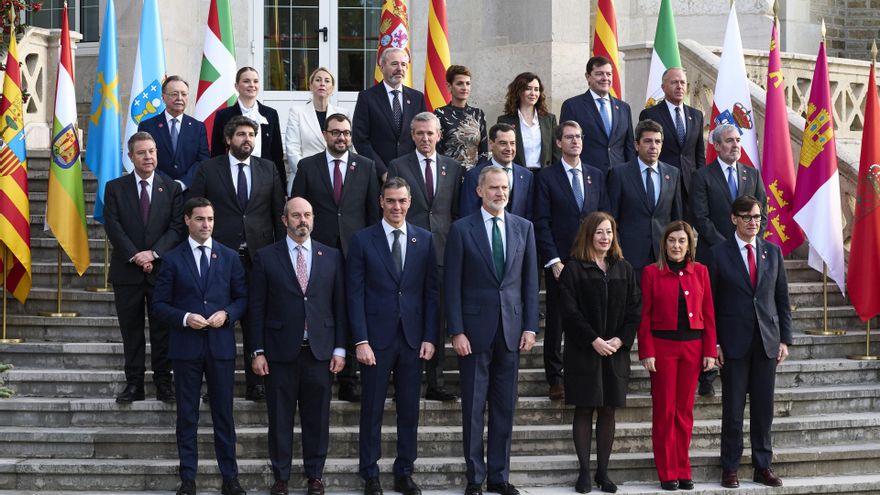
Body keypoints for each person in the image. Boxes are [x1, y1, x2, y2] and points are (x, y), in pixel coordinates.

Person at [445, 166, 539, 495]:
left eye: (504, 188)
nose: (500, 193)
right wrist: (456, 330)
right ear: (479, 191)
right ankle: (475, 478)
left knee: (504, 407)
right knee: (473, 408)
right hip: (473, 333)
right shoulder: (461, 229)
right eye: (494, 188)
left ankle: (499, 476)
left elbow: (530, 282)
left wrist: (530, 326)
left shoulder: (524, 227)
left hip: (511, 331)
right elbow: (451, 284)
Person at [248, 197, 347, 495]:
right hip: (280, 353)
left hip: (319, 352)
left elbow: (339, 306)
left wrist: (340, 349)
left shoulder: (331, 256)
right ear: (284, 220)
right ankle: (281, 477)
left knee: (318, 419)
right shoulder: (266, 257)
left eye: (307, 215)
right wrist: (257, 351)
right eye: (296, 215)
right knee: (280, 418)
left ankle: (315, 475)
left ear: (313, 218)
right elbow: (256, 309)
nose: (302, 220)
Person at [347, 177, 439, 495]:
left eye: (401, 200)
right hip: (375, 341)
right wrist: (360, 340)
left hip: (413, 340)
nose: (396, 206)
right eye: (390, 201)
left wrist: (430, 337)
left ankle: (404, 472)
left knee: (409, 410)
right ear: (381, 202)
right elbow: (354, 295)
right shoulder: (362, 240)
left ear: (410, 202)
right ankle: (370, 474)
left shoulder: (424, 240)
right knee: (371, 409)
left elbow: (431, 293)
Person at [152, 197, 248, 495]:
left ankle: (230, 478)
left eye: (210, 219)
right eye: (200, 219)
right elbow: (158, 305)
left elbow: (242, 298)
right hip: (186, 348)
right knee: (187, 415)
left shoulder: (229, 257)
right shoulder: (172, 259)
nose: (206, 224)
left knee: (224, 415)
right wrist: (185, 318)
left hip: (220, 348)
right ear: (187, 220)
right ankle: (188, 478)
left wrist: (227, 314)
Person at [190, 115, 286, 402]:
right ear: (228, 139)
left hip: (259, 258)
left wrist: (280, 254)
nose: (248, 140)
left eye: (251, 135)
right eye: (242, 134)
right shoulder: (209, 169)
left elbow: (277, 214)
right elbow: (195, 209)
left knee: (257, 319)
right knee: (218, 321)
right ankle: (217, 386)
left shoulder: (268, 168)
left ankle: (257, 383)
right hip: (220, 258)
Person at [290, 112, 378, 402]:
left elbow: (372, 214)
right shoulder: (307, 166)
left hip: (356, 251)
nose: (342, 137)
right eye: (336, 132)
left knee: (351, 309)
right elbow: (297, 207)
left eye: (346, 133)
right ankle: (323, 371)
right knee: (321, 309)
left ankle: (349, 378)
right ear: (325, 135)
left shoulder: (366, 166)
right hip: (318, 252)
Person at [709, 195, 791, 489]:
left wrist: (785, 339)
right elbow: (710, 304)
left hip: (767, 343)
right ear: (734, 219)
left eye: (757, 217)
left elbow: (782, 298)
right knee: (733, 410)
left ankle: (762, 466)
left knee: (763, 409)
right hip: (733, 344)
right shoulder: (718, 254)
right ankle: (730, 467)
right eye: (747, 217)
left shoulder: (773, 252)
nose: (753, 222)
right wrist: (714, 343)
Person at [556, 211, 641, 494]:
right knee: (584, 408)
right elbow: (569, 312)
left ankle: (603, 473)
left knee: (608, 410)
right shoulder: (573, 269)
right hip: (584, 351)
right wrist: (593, 339)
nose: (605, 237)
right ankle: (584, 472)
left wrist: (620, 339)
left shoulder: (624, 268)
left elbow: (635, 309)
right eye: (599, 232)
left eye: (609, 232)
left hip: (615, 352)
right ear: (588, 235)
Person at [388, 111, 464, 402]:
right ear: (412, 135)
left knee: (437, 315)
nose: (425, 138)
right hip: (408, 252)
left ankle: (436, 381)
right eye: (420, 133)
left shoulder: (453, 168)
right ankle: (400, 380)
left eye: (430, 133)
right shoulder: (398, 165)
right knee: (404, 314)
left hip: (442, 252)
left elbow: (455, 212)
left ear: (439, 135)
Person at [104, 132, 184, 404]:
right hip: (127, 272)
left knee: (163, 332)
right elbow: (113, 226)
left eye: (152, 151)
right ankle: (134, 384)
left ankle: (164, 384)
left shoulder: (171, 188)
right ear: (130, 157)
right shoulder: (115, 188)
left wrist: (153, 253)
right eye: (141, 153)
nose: (148, 157)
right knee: (131, 332)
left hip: (162, 272)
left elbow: (176, 228)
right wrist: (136, 256)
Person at [638, 221, 717, 491]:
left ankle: (684, 469)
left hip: (693, 349)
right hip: (663, 349)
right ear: (664, 244)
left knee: (684, 412)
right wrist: (647, 351)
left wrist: (710, 350)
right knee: (665, 411)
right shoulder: (651, 272)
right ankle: (667, 471)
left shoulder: (701, 272)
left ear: (690, 245)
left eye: (682, 241)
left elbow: (709, 314)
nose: (676, 246)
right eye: (672, 240)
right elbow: (644, 317)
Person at [690, 123, 767, 396]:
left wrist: (747, 243)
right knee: (711, 309)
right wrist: (728, 247)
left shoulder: (752, 175)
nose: (735, 145)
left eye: (738, 140)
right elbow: (700, 217)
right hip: (713, 256)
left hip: (747, 258)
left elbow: (763, 214)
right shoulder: (702, 176)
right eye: (729, 141)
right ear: (717, 145)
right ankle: (707, 373)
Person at [534, 121, 608, 401]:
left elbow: (604, 217)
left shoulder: (595, 175)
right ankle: (555, 377)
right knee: (557, 320)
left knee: (590, 319)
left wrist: (603, 256)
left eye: (578, 136)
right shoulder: (546, 177)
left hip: (591, 260)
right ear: (558, 143)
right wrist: (553, 260)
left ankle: (585, 374)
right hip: (561, 262)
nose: (575, 141)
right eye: (569, 137)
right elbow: (541, 221)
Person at [607, 119, 682, 280]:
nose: (653, 146)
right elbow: (612, 219)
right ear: (636, 145)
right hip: (630, 258)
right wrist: (617, 252)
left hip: (663, 257)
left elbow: (676, 219)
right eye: (648, 141)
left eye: (657, 141)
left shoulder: (673, 173)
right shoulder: (619, 174)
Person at [638, 68, 705, 216]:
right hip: (663, 183)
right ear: (663, 87)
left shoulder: (696, 115)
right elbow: (643, 151)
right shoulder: (650, 114)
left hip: (689, 186)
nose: (679, 86)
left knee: (686, 228)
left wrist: (701, 182)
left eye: (682, 82)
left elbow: (699, 153)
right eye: (674, 82)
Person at [353, 47, 427, 180]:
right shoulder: (367, 98)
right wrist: (382, 171)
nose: (400, 68)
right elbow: (360, 140)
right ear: (382, 67)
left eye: (403, 64)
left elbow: (423, 135)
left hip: (412, 174)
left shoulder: (417, 98)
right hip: (378, 176)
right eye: (394, 64)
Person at [211, 67, 286, 194]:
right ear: (236, 86)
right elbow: (217, 152)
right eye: (246, 81)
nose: (252, 85)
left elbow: (277, 153)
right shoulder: (223, 115)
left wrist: (282, 189)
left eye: (255, 81)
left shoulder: (271, 114)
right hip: (234, 177)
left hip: (265, 178)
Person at [560, 56, 634, 175]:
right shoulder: (572, 106)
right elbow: (566, 143)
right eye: (599, 74)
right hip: (587, 175)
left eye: (608, 74)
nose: (605, 78)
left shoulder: (624, 108)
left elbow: (629, 146)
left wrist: (632, 174)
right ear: (588, 76)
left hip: (619, 175)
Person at [138, 75, 210, 191]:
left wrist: (183, 183)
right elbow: (144, 158)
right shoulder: (147, 126)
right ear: (163, 97)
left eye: (184, 94)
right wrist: (168, 183)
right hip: (158, 190)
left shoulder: (198, 127)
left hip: (190, 191)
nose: (179, 98)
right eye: (174, 94)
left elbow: (203, 160)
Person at [285, 67, 351, 186]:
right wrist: (308, 175)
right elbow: (292, 149)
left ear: (332, 88)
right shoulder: (297, 112)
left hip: (336, 178)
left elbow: (349, 147)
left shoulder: (343, 113)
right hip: (305, 179)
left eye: (327, 81)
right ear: (310, 86)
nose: (322, 84)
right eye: (318, 80)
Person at [460, 123, 534, 220]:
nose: (509, 148)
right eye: (503, 143)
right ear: (491, 144)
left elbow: (529, 214)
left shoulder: (527, 176)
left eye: (512, 143)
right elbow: (468, 215)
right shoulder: (474, 175)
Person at [496, 72, 559, 171]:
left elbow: (556, 153)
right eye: (528, 88)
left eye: (536, 89)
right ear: (519, 91)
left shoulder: (549, 119)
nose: (533, 93)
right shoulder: (505, 120)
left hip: (544, 174)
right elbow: (501, 153)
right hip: (518, 174)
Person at [434, 64, 488, 168]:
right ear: (449, 86)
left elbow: (484, 151)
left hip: (474, 174)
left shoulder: (478, 114)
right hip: (448, 172)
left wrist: (478, 172)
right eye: (460, 83)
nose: (465, 87)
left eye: (468, 83)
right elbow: (437, 150)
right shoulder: (440, 113)